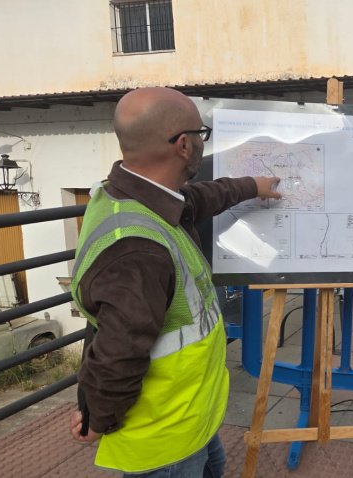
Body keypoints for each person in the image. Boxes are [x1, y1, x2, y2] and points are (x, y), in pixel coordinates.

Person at [68, 87, 282, 477]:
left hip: (190, 415)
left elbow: (198, 199)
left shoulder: (132, 196)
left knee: (215, 466)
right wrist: (98, 418)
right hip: (164, 439)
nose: (203, 141)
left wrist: (252, 186)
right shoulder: (137, 251)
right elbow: (118, 352)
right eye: (202, 133)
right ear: (184, 145)